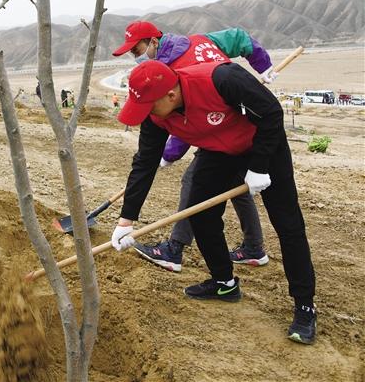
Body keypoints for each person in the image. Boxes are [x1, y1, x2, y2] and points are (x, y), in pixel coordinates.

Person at [111, 59, 317, 345]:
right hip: (218, 150)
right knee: (201, 213)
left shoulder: (222, 78)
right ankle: (224, 283)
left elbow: (271, 113)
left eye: (148, 107)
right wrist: (126, 221)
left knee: (288, 225)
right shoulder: (156, 113)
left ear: (170, 95)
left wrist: (258, 166)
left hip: (263, 145)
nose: (145, 114)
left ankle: (305, 306)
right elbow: (144, 164)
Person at [113, 21, 277, 272]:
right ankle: (254, 248)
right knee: (234, 183)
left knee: (195, 181)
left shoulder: (179, 70)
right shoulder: (193, 42)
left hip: (232, 126)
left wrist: (262, 64)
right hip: (224, 131)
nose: (135, 57)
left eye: (137, 50)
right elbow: (237, 37)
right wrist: (261, 64)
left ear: (154, 42)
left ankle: (174, 249)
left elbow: (193, 121)